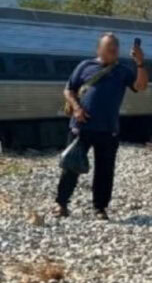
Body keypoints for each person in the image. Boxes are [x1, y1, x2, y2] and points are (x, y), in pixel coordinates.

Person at [55, 33, 148, 220]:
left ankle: (100, 208)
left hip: (108, 129)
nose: (113, 51)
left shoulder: (122, 71)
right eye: (109, 47)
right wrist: (77, 108)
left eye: (115, 48)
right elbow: (69, 90)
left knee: (105, 170)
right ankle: (61, 204)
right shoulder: (85, 66)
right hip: (81, 127)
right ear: (99, 49)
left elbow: (141, 86)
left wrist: (139, 63)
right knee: (70, 166)